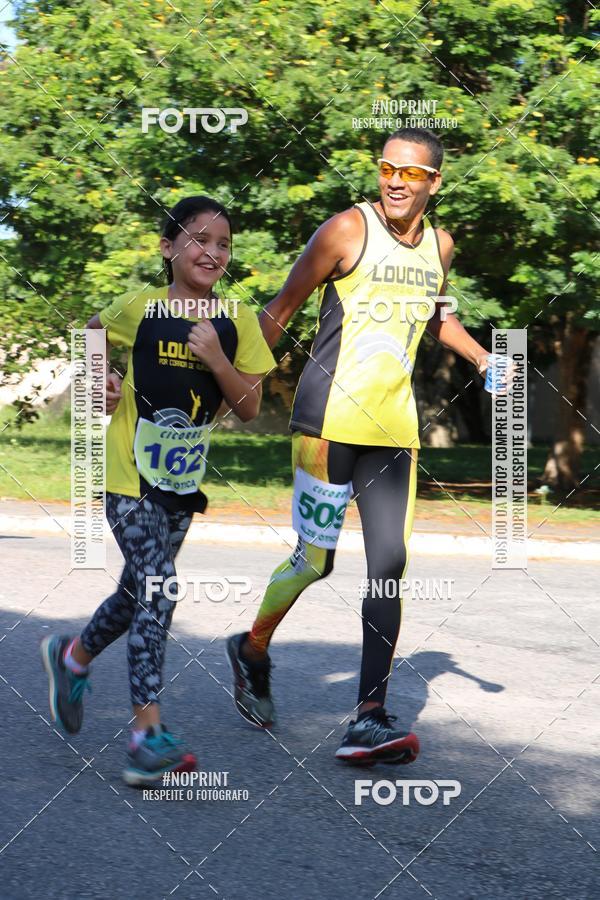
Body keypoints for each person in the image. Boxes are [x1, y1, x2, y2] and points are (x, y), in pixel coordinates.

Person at [226, 128, 492, 764]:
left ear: (434, 183)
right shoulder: (346, 230)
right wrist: (230, 381)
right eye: (387, 168)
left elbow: (436, 316)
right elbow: (281, 307)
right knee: (315, 562)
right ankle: (253, 647)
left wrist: (485, 357)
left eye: (411, 173)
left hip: (394, 431)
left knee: (390, 564)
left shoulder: (440, 245)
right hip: (324, 422)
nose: (396, 180)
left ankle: (368, 715)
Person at [41, 196, 276, 785]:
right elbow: (89, 338)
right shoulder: (140, 308)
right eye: (199, 239)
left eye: (223, 244)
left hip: (181, 483)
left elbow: (249, 407)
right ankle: (147, 736)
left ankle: (72, 658)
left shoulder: (236, 318)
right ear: (168, 248)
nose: (213, 252)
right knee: (159, 586)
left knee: (135, 595)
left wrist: (218, 359)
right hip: (127, 474)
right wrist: (105, 383)